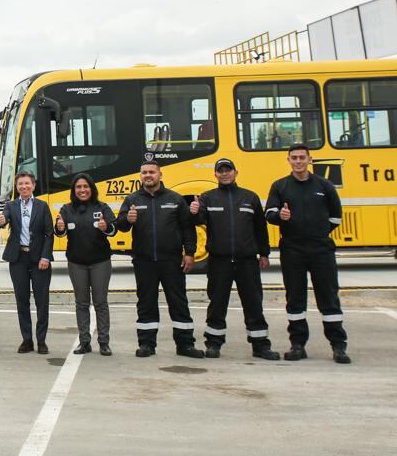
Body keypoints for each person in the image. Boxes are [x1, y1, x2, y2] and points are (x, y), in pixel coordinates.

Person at [265, 144, 350, 364]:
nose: (298, 161)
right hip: (292, 249)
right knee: (295, 299)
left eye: (302, 157)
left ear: (310, 160)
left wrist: (319, 233)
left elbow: (336, 217)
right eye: (294, 158)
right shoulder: (280, 186)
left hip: (321, 249)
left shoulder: (325, 185)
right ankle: (297, 345)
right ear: (288, 160)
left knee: (329, 297)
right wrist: (280, 217)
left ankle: (338, 346)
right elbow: (269, 213)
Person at [190, 158, 280, 360]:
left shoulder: (250, 197)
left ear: (235, 172)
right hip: (219, 261)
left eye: (227, 170)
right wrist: (194, 213)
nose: (224, 173)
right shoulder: (207, 198)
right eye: (220, 171)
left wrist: (264, 253)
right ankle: (213, 344)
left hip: (247, 261)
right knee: (217, 303)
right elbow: (199, 220)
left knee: (253, 303)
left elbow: (260, 228)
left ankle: (261, 346)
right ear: (215, 175)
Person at [115, 157, 203, 359]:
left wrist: (189, 253)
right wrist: (127, 219)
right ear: (140, 176)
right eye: (144, 172)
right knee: (146, 303)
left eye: (151, 172)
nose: (148, 175)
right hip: (144, 261)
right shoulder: (132, 200)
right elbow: (120, 225)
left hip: (172, 261)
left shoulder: (175, 199)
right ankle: (146, 344)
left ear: (160, 174)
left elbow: (187, 228)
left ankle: (185, 345)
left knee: (179, 303)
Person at [55, 173, 116, 356]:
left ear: (92, 188)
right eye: (78, 187)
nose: (82, 190)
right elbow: (59, 232)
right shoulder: (66, 209)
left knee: (100, 302)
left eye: (86, 186)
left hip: (100, 262)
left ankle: (104, 342)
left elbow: (113, 230)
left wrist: (107, 228)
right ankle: (84, 342)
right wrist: (60, 228)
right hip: (76, 263)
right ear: (74, 190)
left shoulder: (102, 207)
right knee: (81, 303)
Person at [0, 171, 53, 355]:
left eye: (27, 183)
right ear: (17, 186)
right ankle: (27, 339)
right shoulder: (11, 206)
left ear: (33, 185)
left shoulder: (42, 206)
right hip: (18, 258)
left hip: (39, 260)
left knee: (41, 301)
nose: (24, 187)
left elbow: (48, 233)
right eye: (20, 184)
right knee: (22, 300)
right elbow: (3, 220)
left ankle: (42, 340)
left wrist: (46, 257)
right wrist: (1, 220)